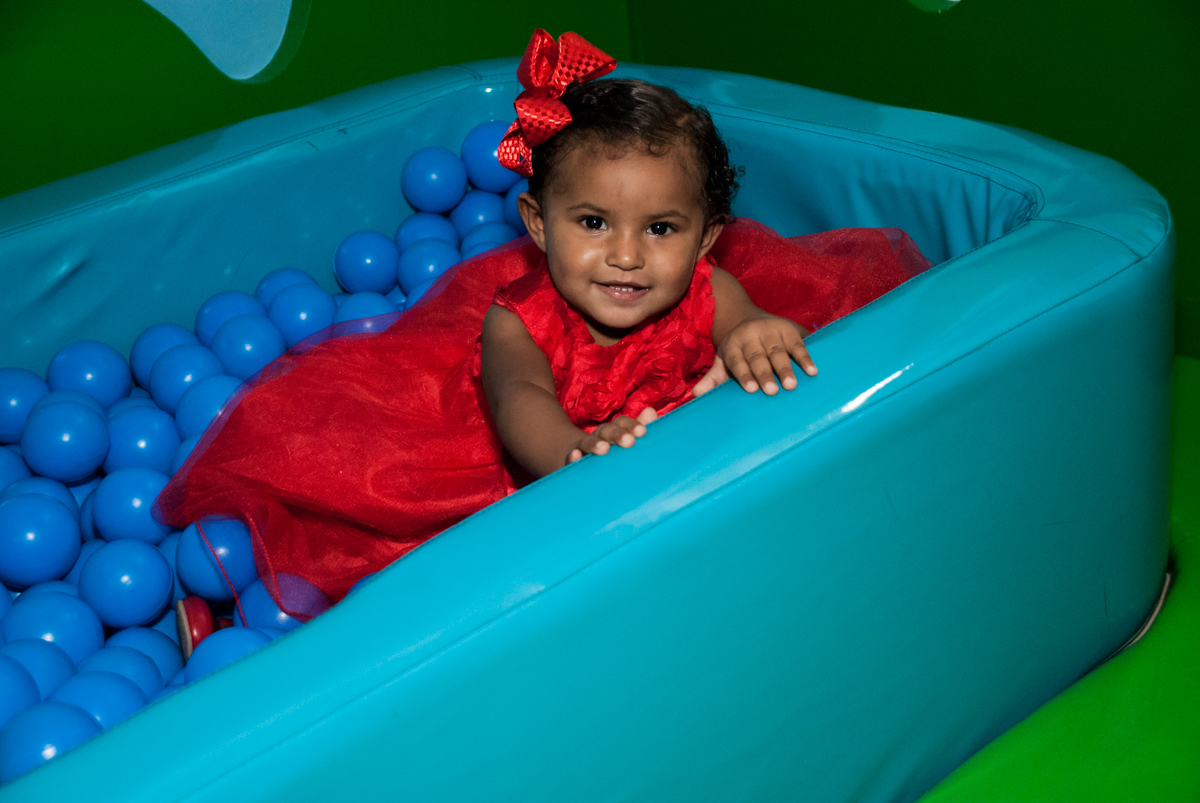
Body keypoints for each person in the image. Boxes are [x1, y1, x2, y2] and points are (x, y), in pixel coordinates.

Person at [155, 30, 930, 612]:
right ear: (536, 222)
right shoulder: (515, 322)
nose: (626, 256)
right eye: (593, 222)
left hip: (654, 470)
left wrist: (751, 327)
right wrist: (570, 450)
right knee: (401, 554)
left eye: (660, 229)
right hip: (509, 469)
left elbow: (732, 310)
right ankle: (226, 605)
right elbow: (519, 401)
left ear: (706, 237)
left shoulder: (703, 283)